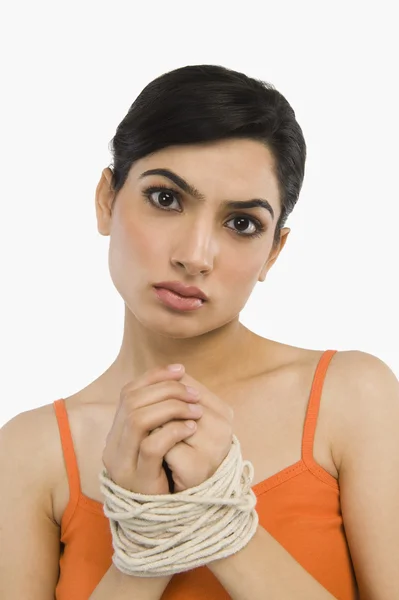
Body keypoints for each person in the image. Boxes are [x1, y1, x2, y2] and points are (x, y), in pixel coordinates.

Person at [0, 64, 398, 600]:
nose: (194, 256)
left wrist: (214, 508)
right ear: (106, 199)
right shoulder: (27, 452)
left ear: (273, 253)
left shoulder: (355, 396)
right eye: (166, 198)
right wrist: (149, 531)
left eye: (241, 224)